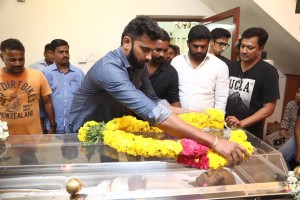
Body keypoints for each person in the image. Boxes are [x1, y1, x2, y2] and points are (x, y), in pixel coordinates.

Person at [69, 16, 248, 166]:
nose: (149, 57)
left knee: (108, 175)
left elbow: (155, 101)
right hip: (81, 135)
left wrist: (197, 115)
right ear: (126, 42)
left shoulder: (139, 65)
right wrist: (215, 142)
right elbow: (153, 112)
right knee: (87, 180)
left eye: (152, 50)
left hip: (109, 131)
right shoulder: (109, 69)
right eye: (145, 49)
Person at [225, 27, 280, 140]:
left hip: (249, 134)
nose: (244, 51)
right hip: (225, 129)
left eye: (250, 48)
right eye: (242, 46)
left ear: (261, 49)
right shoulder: (231, 67)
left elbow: (269, 108)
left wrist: (242, 123)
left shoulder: (268, 71)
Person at [0, 38, 56, 135]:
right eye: (12, 60)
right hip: (4, 140)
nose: (18, 63)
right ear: (2, 57)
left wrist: (52, 126)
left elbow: (47, 102)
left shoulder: (37, 75)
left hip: (32, 137)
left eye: (21, 59)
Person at [171, 25, 229, 112]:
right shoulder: (176, 62)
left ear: (209, 44)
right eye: (195, 46)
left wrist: (217, 120)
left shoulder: (220, 66)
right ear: (188, 44)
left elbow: (221, 98)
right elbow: (171, 91)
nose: (199, 50)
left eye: (203, 46)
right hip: (178, 118)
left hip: (207, 121)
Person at [42, 39, 85, 133]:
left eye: (67, 52)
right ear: (53, 54)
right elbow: (42, 102)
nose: (65, 55)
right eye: (61, 52)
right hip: (52, 128)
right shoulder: (45, 73)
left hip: (75, 127)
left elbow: (85, 99)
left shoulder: (78, 73)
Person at [95, 168, 236, 192]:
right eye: (213, 170)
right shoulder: (188, 178)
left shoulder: (187, 195)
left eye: (215, 176)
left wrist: (137, 192)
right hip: (108, 186)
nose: (208, 172)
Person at [147, 28, 180, 107]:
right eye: (158, 50)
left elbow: (174, 100)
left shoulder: (171, 72)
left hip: (157, 116)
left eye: (165, 51)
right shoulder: (137, 65)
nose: (162, 54)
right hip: (128, 117)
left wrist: (183, 116)